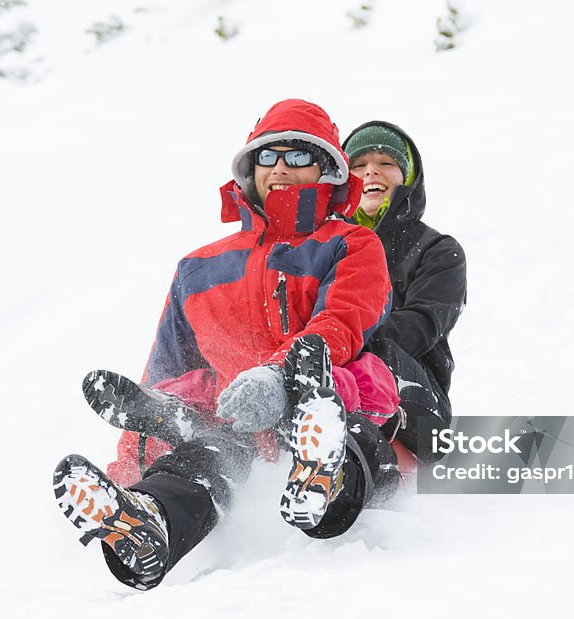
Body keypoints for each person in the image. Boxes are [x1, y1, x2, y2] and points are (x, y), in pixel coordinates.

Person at [53, 100, 402, 591]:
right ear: (250, 169)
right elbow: (166, 372)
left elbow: (342, 322)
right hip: (235, 428)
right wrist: (130, 470)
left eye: (299, 157)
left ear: (326, 169)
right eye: (267, 157)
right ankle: (150, 521)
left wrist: (279, 378)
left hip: (325, 403)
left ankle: (324, 481)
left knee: (336, 422)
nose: (280, 168)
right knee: (204, 457)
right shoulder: (199, 268)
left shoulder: (351, 245)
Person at [343, 121, 467, 460]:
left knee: (376, 354)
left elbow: (422, 324)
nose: (371, 172)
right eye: (358, 165)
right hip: (338, 381)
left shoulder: (437, 250)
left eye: (386, 163)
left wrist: (339, 340)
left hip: (413, 398)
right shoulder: (326, 247)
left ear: (408, 178)